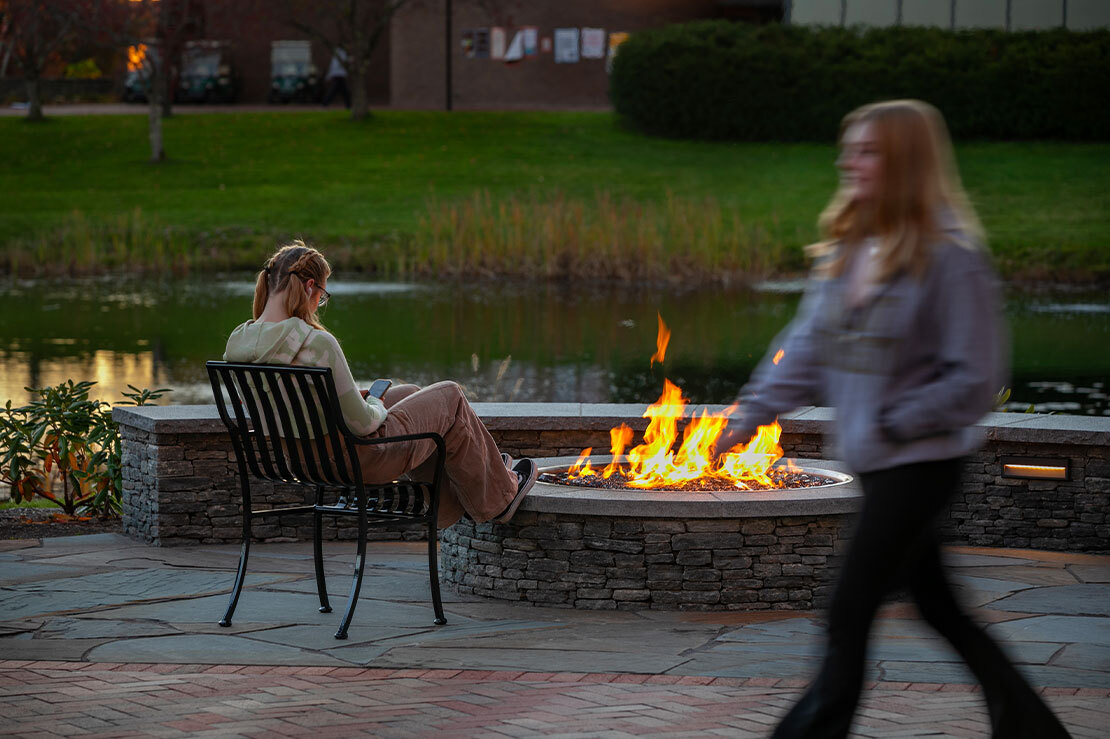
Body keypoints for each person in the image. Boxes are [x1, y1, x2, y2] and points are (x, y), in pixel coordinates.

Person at [712, 100, 1070, 739]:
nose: (849, 161)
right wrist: (749, 412)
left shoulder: (951, 258)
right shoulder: (851, 249)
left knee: (847, 612)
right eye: (850, 148)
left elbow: (976, 378)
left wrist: (894, 419)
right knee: (941, 609)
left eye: (868, 150)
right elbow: (805, 348)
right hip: (878, 462)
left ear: (905, 161)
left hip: (923, 462)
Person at [224, 240, 538, 527]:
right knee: (450, 396)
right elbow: (361, 425)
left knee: (410, 393)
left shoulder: (238, 346)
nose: (319, 303)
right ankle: (499, 498)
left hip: (301, 461)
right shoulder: (316, 344)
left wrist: (338, 401)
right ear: (309, 287)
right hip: (357, 459)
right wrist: (373, 403)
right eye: (322, 296)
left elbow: (288, 407)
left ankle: (453, 503)